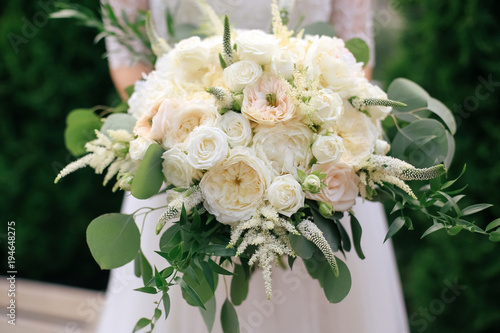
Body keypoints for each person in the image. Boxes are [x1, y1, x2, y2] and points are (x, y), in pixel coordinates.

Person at [97, 1, 410, 332]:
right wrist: (195, 147)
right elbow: (127, 56)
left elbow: (355, 59)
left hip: (319, 171)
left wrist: (304, 137)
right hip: (183, 167)